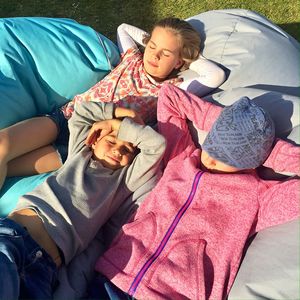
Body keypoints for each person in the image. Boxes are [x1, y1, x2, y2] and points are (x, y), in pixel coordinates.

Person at [89, 84, 299, 299]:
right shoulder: (181, 155)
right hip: (115, 273)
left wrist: (269, 153)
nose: (210, 157)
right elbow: (170, 96)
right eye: (212, 146)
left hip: (172, 294)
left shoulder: (257, 197)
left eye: (225, 157)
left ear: (249, 163)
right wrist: (221, 123)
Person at [0, 17, 226, 191]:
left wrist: (188, 56)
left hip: (83, 146)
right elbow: (124, 28)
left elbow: (215, 75)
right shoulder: (131, 58)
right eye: (152, 46)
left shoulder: (171, 90)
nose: (154, 56)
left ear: (178, 61)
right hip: (66, 117)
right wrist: (155, 41)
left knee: (9, 168)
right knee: (2, 146)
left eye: (165, 54)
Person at [0, 100, 166, 299]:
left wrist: (119, 128)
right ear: (95, 139)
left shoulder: (123, 182)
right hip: (15, 235)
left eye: (127, 150)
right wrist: (120, 116)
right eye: (112, 141)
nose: (118, 150)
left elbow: (156, 146)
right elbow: (82, 111)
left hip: (43, 270)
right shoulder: (80, 152)